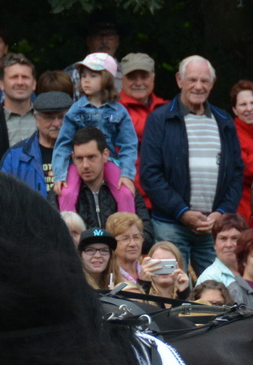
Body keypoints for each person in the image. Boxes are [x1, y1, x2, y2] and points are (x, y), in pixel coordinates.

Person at [138, 56, 243, 271]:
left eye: (205, 81)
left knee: (219, 291)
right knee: (170, 287)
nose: (198, 86)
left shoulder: (224, 121)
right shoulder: (160, 120)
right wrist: (182, 211)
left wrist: (221, 212)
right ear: (179, 80)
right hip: (170, 224)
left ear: (212, 84)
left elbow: (236, 173)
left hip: (214, 226)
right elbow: (149, 173)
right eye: (192, 80)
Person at [53, 53, 137, 185]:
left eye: (93, 76)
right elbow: (63, 144)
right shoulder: (75, 110)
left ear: (107, 79)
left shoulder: (119, 111)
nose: (86, 80)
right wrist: (60, 176)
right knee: (67, 193)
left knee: (125, 193)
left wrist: (126, 174)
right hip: (80, 164)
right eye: (83, 76)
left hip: (109, 162)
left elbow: (129, 144)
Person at [57, 127, 146, 231]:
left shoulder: (127, 189)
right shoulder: (58, 191)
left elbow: (146, 234)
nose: (85, 165)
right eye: (79, 158)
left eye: (91, 157)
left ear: (105, 155)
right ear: (73, 157)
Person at [0, 91, 70, 195]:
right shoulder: (15, 157)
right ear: (36, 118)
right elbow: (2, 197)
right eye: (49, 117)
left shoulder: (80, 153)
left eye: (62, 117)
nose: (56, 123)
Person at [117, 53, 167, 149]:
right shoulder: (112, 109)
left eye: (144, 77)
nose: (139, 83)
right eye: (132, 77)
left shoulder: (166, 108)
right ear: (122, 79)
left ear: (153, 78)